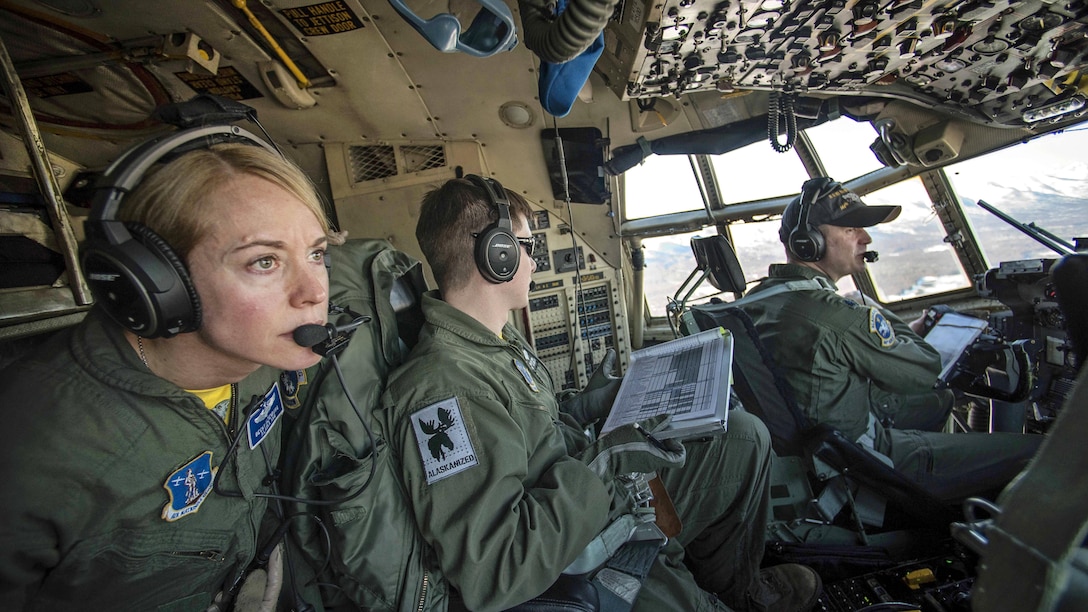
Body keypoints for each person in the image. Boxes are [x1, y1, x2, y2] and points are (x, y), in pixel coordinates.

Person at [376, 175, 822, 611]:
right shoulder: (443, 391)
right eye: (527, 248)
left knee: (741, 437)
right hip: (575, 555)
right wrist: (603, 463)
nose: (535, 263)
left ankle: (734, 588)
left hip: (585, 496)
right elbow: (499, 569)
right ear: (498, 255)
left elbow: (533, 437)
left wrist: (587, 407)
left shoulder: (492, 341)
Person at [0, 131, 335, 610]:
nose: (314, 293)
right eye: (264, 261)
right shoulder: (34, 451)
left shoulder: (264, 361)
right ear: (158, 283)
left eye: (317, 254)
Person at [737, 176, 1041, 501]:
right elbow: (925, 371)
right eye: (851, 229)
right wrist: (875, 314)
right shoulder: (837, 313)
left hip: (805, 456)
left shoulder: (758, 302)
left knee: (940, 400)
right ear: (807, 242)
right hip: (862, 462)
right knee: (1040, 451)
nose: (866, 238)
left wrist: (880, 321)